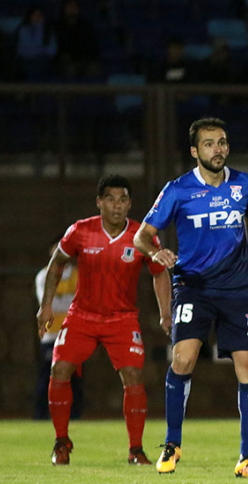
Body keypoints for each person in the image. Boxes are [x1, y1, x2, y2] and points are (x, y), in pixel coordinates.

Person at [134, 117, 248, 479]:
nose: (219, 149)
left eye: (223, 142)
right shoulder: (178, 190)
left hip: (236, 290)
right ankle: (172, 444)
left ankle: (247, 458)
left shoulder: (243, 184)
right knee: (183, 359)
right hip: (194, 288)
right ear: (195, 151)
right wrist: (155, 253)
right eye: (211, 143)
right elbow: (142, 236)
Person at [36, 174, 172, 466]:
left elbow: (160, 272)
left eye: (123, 199)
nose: (116, 205)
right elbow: (57, 262)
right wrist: (46, 306)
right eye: (110, 199)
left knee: (134, 377)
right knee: (59, 369)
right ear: (99, 202)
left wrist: (165, 313)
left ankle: (135, 449)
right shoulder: (80, 231)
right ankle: (61, 442)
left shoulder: (141, 237)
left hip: (122, 319)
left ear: (130, 203)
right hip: (82, 316)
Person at [34, 236, 83, 420]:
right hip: (51, 333)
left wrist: (60, 300)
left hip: (73, 334)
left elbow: (78, 302)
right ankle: (40, 415)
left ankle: (75, 415)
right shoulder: (43, 275)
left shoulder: (79, 275)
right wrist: (66, 300)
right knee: (47, 375)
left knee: (75, 378)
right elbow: (48, 304)